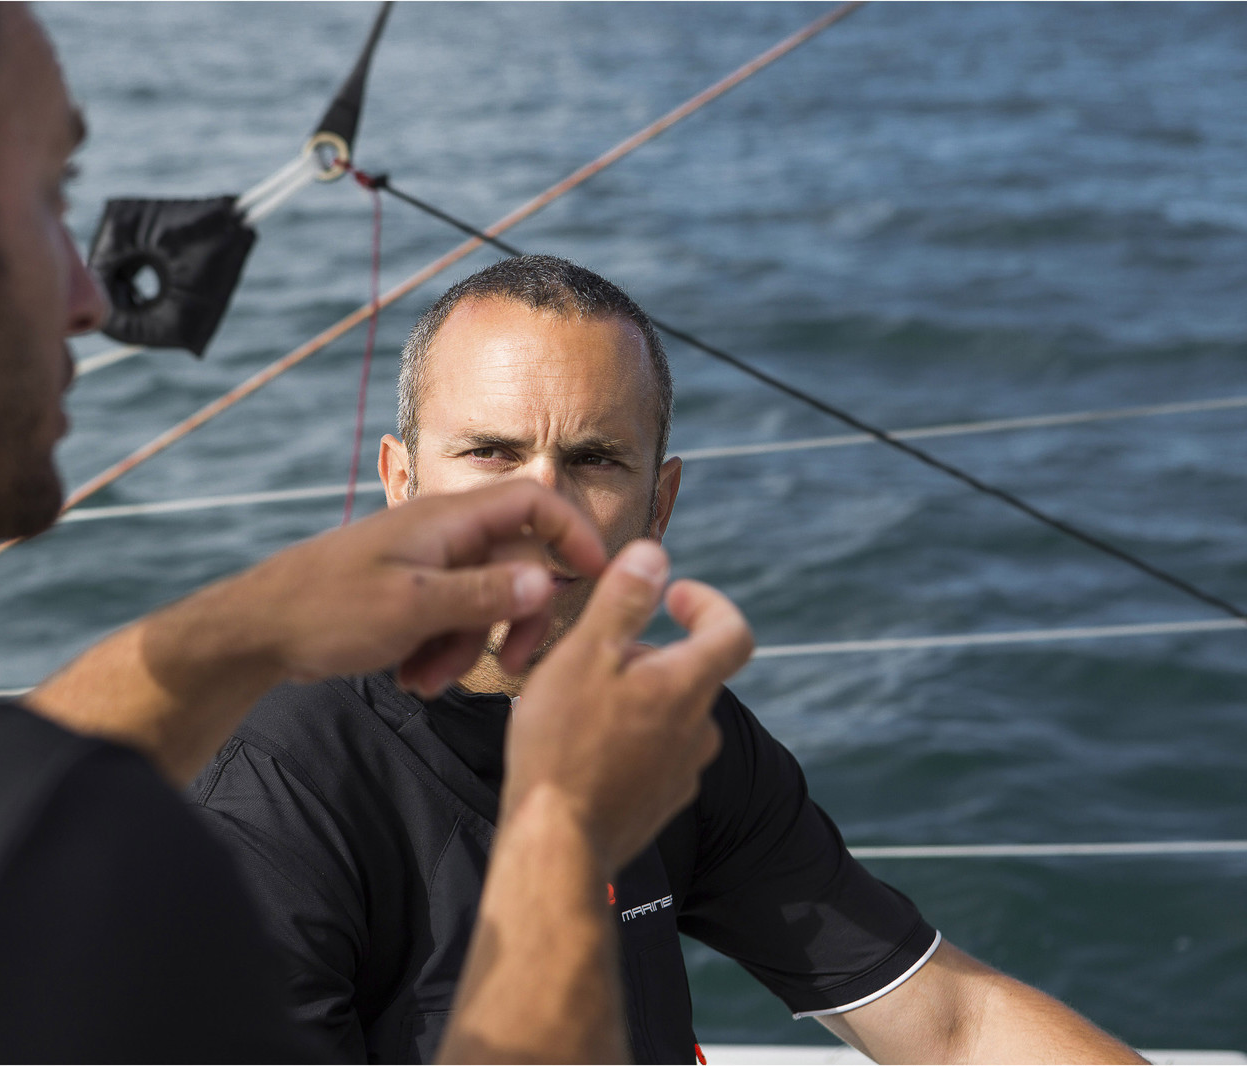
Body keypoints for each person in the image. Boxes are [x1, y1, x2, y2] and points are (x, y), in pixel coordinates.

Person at [0, 7, 755, 1062]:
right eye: (50, 195)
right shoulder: (29, 865)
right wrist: (561, 832)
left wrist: (245, 632)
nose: (90, 294)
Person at [189, 255, 1147, 1064]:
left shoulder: (677, 729)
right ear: (400, 482)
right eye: (489, 452)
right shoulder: (273, 795)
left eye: (596, 461)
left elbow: (954, 1024)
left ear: (660, 503)